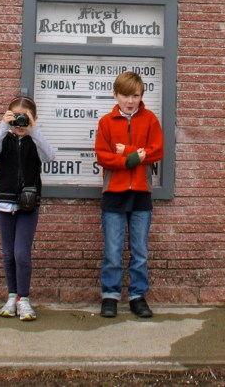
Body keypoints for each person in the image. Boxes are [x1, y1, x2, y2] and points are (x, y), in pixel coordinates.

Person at [94, 70, 164, 319]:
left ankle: (137, 296)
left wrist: (128, 152)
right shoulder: (106, 122)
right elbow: (103, 156)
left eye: (135, 95)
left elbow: (156, 152)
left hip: (141, 195)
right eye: (125, 95)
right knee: (112, 251)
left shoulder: (150, 120)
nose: (130, 101)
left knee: (140, 251)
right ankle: (110, 296)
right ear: (116, 95)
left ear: (141, 95)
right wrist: (133, 159)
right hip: (114, 194)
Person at [0, 95, 55, 321]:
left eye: (25, 118)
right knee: (8, 253)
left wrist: (33, 130)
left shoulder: (35, 140)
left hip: (28, 204)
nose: (20, 124)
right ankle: (12, 297)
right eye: (16, 118)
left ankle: (24, 299)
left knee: (21, 253)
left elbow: (50, 157)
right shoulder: (3, 138)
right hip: (4, 203)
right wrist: (3, 126)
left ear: (34, 119)